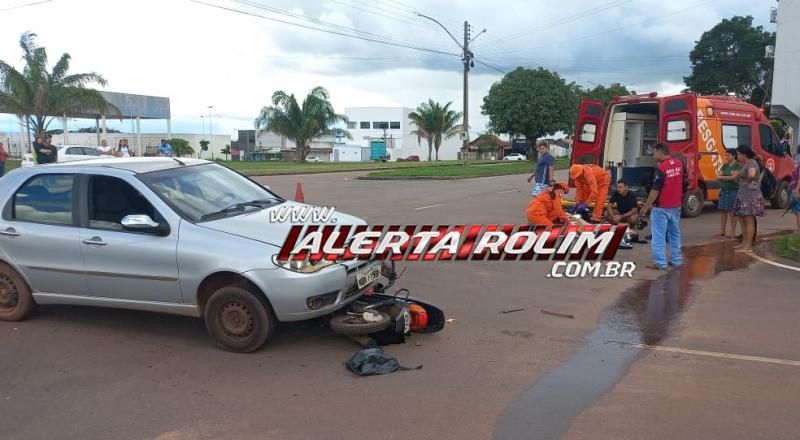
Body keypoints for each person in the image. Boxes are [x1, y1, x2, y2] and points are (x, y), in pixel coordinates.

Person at [639, 143, 684, 270]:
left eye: (654, 153)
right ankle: (676, 260)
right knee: (675, 234)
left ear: (660, 153)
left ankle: (660, 262)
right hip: (676, 205)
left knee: (658, 235)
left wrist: (646, 206)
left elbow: (655, 190)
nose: (654, 156)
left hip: (662, 207)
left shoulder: (661, 168)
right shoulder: (679, 164)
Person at [732, 145, 766, 253]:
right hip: (744, 193)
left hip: (750, 194)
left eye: (738, 154)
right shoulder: (747, 163)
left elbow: (752, 174)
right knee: (742, 219)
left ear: (744, 154)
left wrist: (746, 179)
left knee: (748, 220)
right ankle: (744, 243)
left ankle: (748, 246)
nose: (737, 156)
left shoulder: (751, 163)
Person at [715, 149, 742, 238]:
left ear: (734, 156)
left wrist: (724, 177)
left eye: (728, 155)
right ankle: (722, 231)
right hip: (724, 189)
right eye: (726, 155)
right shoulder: (725, 165)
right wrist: (728, 178)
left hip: (733, 190)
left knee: (732, 211)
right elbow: (719, 176)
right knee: (723, 210)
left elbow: (734, 177)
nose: (726, 157)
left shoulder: (738, 166)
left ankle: (733, 232)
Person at [788, 160, 800, 234]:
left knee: (798, 211)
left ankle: (799, 230)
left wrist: (796, 190)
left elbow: (799, 180)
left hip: (797, 190)